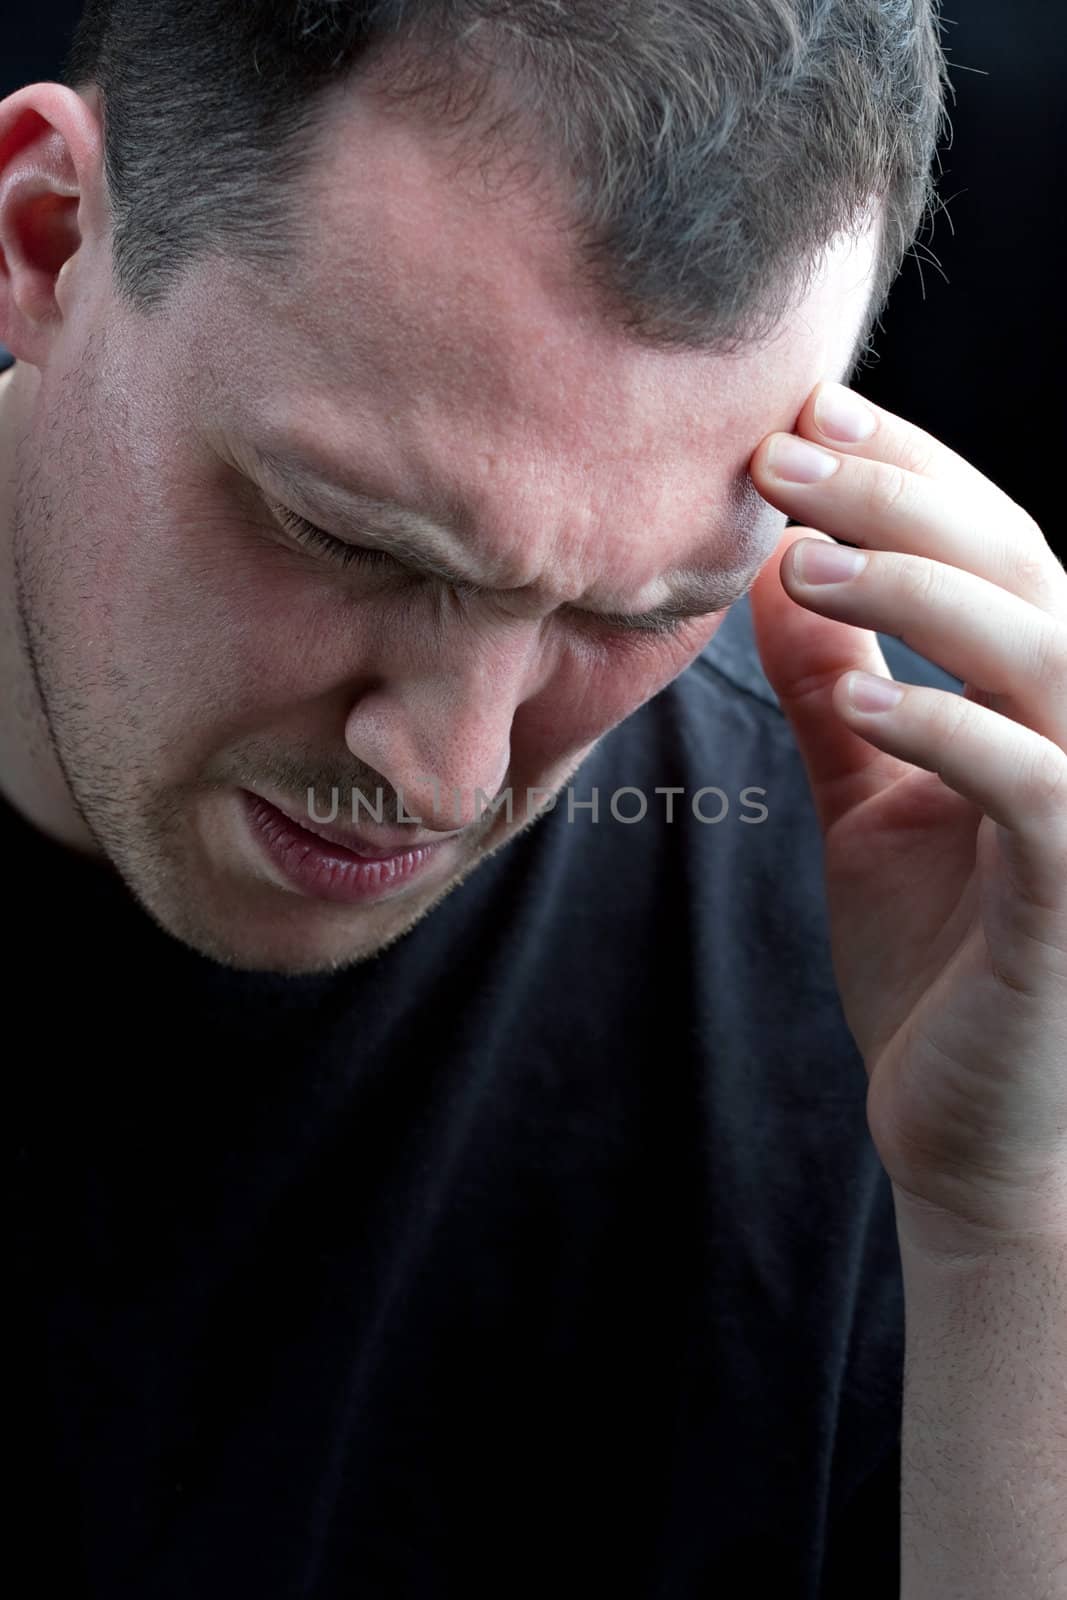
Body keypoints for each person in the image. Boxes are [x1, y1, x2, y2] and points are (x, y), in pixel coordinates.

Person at [10, 4, 1053, 1597]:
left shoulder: (944, 938)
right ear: (49, 237)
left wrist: (1011, 1234)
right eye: (351, 537)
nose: (453, 769)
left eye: (639, 612)